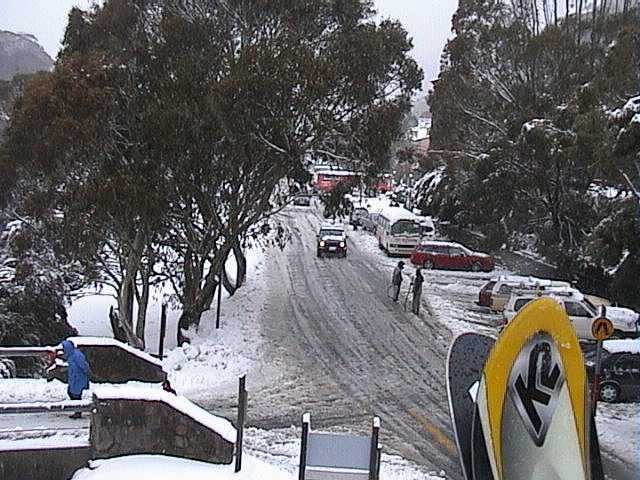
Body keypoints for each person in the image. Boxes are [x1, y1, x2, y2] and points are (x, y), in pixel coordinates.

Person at [60, 340, 90, 419]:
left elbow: (83, 365)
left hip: (78, 378)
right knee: (72, 393)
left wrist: (86, 373)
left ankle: (78, 411)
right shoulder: (71, 355)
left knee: (76, 395)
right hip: (74, 378)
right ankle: (77, 410)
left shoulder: (76, 355)